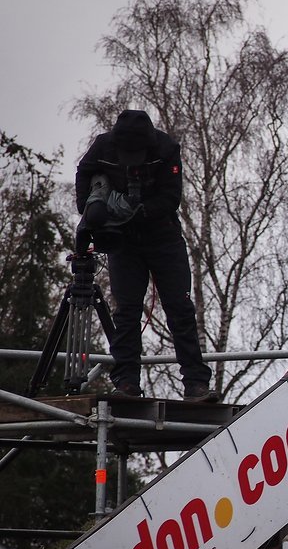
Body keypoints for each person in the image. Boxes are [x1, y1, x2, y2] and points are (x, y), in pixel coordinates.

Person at [75, 109, 218, 402]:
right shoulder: (103, 147)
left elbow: (171, 196)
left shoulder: (166, 150)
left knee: (180, 308)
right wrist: (90, 213)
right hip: (123, 242)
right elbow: (83, 172)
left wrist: (141, 211)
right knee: (126, 312)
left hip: (162, 237)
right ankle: (126, 383)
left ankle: (196, 383)